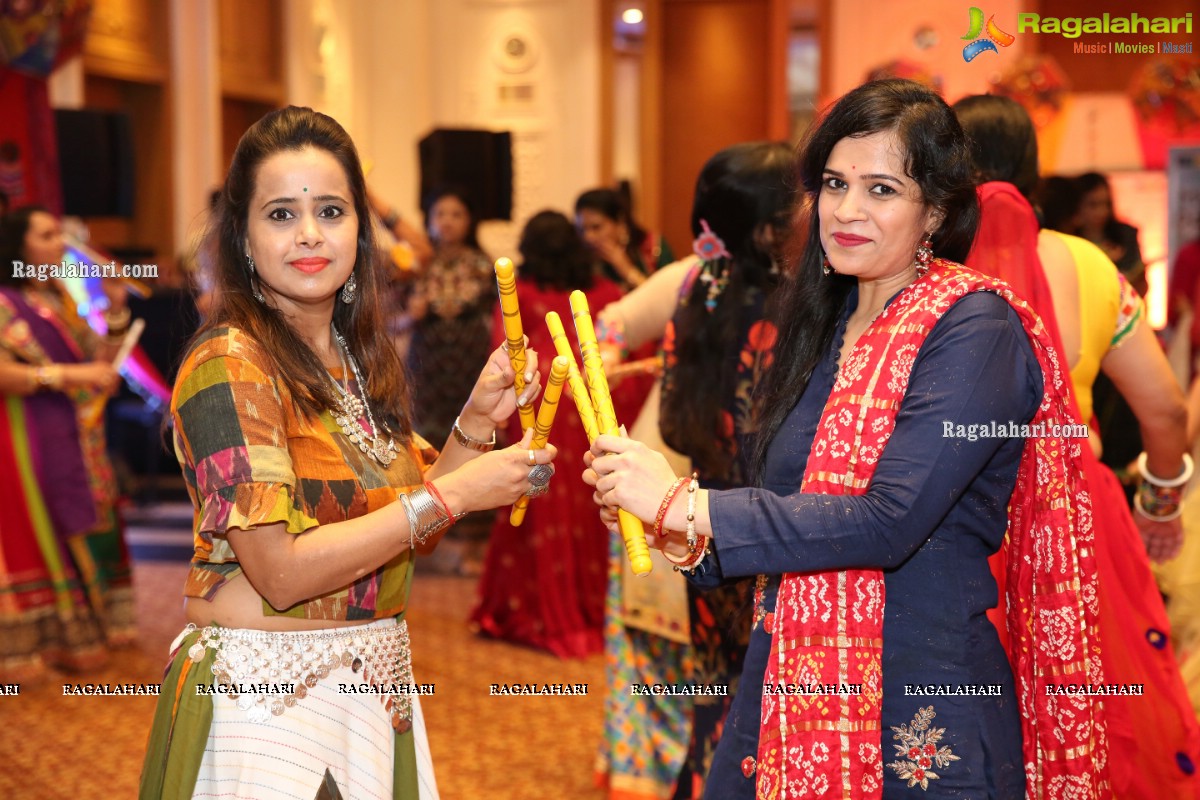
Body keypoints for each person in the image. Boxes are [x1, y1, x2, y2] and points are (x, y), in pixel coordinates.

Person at [586, 79, 1108, 798]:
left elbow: (888, 518)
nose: (847, 210)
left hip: (922, 698)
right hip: (788, 677)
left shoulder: (974, 329)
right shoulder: (822, 326)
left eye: (882, 189)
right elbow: (788, 509)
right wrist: (669, 522)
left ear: (938, 210)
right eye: (835, 183)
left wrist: (689, 507)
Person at [137, 106, 556, 799]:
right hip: (265, 702)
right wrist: (459, 491)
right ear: (242, 237)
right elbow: (278, 573)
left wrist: (476, 425)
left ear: (360, 231)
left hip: (368, 688)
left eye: (331, 210)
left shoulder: (353, 362)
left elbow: (406, 520)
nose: (309, 234)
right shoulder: (230, 364)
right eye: (280, 214)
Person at [955, 93, 1199, 798]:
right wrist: (1159, 505)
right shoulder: (1089, 266)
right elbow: (1166, 409)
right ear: (1034, 167)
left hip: (943, 511)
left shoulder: (914, 267)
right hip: (1075, 515)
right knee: (1079, 699)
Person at [591, 142, 796, 799]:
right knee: (754, 687)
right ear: (769, 227)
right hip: (752, 524)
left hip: (686, 510)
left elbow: (610, 326)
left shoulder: (693, 279)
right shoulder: (801, 308)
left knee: (717, 687)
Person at [470, 210, 632, 658]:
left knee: (534, 504)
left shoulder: (518, 292)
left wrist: (503, 417)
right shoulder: (603, 292)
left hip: (540, 411)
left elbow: (507, 354)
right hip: (587, 414)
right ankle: (590, 609)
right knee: (587, 508)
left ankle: (526, 609)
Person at [0, 205, 134, 682]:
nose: (60, 243)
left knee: (77, 522)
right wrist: (66, 375)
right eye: (47, 235)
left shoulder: (56, 302)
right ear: (19, 247)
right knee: (39, 530)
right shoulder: (4, 302)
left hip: (73, 432)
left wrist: (115, 307)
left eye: (59, 233)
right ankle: (36, 642)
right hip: (22, 436)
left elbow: (100, 358)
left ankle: (76, 633)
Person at [402, 186, 497, 449]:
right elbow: (387, 322)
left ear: (469, 221)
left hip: (472, 365)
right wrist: (410, 316)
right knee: (426, 443)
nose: (447, 221)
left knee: (474, 438)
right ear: (428, 219)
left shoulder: (485, 265)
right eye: (439, 214)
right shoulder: (414, 265)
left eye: (457, 214)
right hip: (427, 367)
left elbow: (499, 321)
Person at [575, 187, 674, 290]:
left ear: (620, 221)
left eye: (596, 227)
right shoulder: (580, 256)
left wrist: (626, 270)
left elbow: (670, 297)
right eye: (581, 229)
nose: (588, 237)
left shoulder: (653, 246)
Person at [1075, 171, 1146, 293]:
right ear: (1078, 206)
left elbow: (1141, 285)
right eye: (1093, 205)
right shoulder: (1071, 241)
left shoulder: (1125, 236)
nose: (1101, 212)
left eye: (1106, 204)